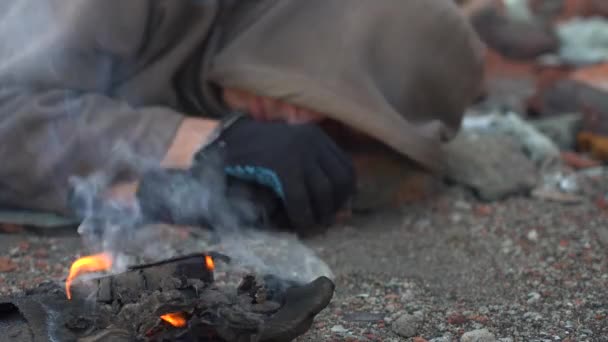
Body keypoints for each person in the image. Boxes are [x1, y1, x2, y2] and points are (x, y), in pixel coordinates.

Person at [0, 0, 484, 231]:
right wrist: (201, 140)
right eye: (321, 82)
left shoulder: (245, 70)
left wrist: (209, 192)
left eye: (337, 119)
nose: (296, 122)